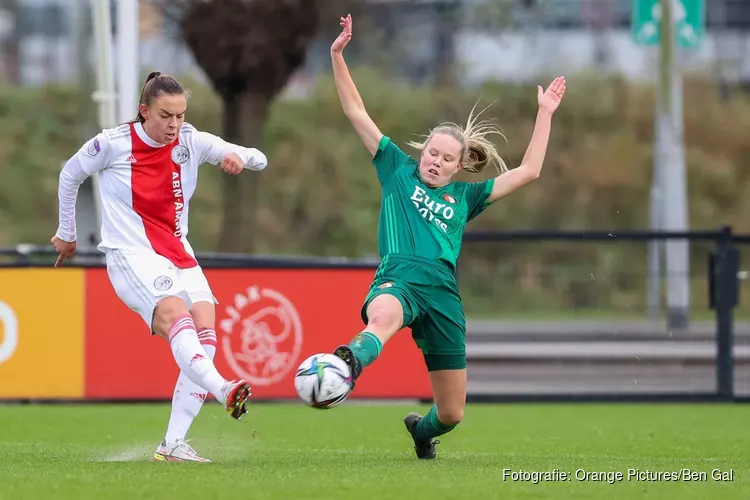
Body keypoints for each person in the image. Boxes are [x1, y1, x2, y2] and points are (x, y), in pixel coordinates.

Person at [328, 15, 566, 459]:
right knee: (381, 316)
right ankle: (349, 361)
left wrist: (544, 114)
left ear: (459, 166)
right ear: (422, 152)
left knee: (452, 413)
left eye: (446, 158)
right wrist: (337, 55)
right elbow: (355, 111)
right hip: (398, 274)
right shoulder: (397, 170)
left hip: (442, 295)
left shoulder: (466, 197)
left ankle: (422, 432)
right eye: (432, 153)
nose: (435, 161)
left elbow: (529, 171)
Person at [51, 71, 268, 463]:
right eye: (166, 115)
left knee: (206, 332)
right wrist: (66, 232)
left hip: (178, 251)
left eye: (181, 115)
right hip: (129, 253)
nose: (174, 125)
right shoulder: (113, 143)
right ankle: (224, 390)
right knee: (176, 315)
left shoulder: (191, 141)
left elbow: (260, 158)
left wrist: (240, 159)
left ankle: (172, 445)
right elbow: (70, 175)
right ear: (144, 111)